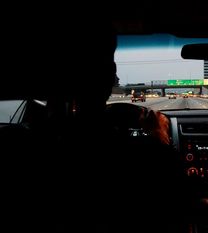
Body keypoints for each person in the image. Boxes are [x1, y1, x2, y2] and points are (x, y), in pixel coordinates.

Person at [2, 20, 186, 233]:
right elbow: (172, 192)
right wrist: (159, 133)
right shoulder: (129, 154)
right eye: (109, 63)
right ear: (109, 77)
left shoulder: (26, 144)